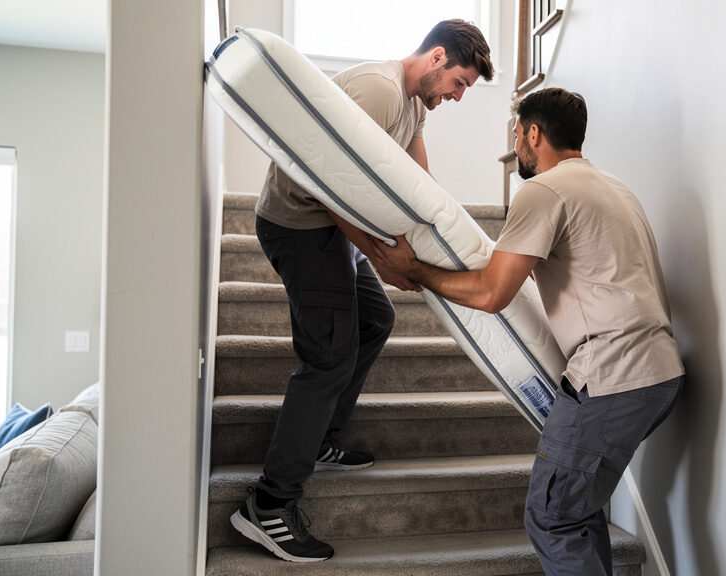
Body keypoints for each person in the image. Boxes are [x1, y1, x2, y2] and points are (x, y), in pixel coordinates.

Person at [370, 87, 684, 575]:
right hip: (660, 374)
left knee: (551, 520)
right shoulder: (616, 188)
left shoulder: (543, 190)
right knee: (577, 514)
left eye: (517, 134)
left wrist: (417, 271)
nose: (516, 145)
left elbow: (492, 292)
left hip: (610, 378)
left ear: (533, 133)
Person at [230, 19, 494, 563]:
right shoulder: (378, 91)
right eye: (460, 82)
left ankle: (319, 437)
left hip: (331, 226)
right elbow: (324, 182)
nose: (458, 96)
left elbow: (421, 186)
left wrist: (437, 247)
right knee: (328, 357)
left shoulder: (416, 104)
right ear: (438, 58)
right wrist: (378, 253)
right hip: (300, 222)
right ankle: (269, 503)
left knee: (376, 320)